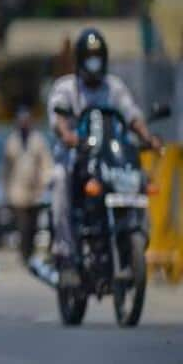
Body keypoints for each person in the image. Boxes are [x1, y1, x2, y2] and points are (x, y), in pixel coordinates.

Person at [47, 28, 161, 286]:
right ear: (79, 60)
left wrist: (147, 138)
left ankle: (135, 234)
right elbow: (58, 120)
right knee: (59, 180)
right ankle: (65, 255)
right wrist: (68, 136)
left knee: (140, 178)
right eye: (89, 57)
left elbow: (132, 116)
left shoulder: (114, 87)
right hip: (76, 159)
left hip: (108, 160)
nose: (93, 62)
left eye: (97, 57)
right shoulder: (66, 88)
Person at [3, 106, 52, 262]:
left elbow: (45, 163)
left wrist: (46, 182)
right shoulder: (12, 140)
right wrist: (6, 188)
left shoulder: (38, 140)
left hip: (35, 191)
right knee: (23, 225)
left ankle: (30, 253)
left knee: (33, 225)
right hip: (18, 190)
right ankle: (24, 255)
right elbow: (7, 167)